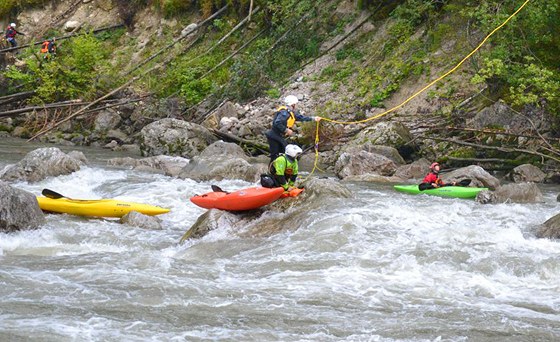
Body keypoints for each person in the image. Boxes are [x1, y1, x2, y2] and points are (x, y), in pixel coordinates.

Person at [265, 95, 321, 161]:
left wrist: (313, 118)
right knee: (276, 154)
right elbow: (277, 123)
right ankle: (273, 170)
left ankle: (282, 169)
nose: (296, 106)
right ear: (292, 104)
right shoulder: (284, 113)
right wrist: (286, 130)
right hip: (273, 136)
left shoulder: (290, 112)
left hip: (278, 136)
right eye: (295, 104)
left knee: (283, 152)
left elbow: (301, 118)